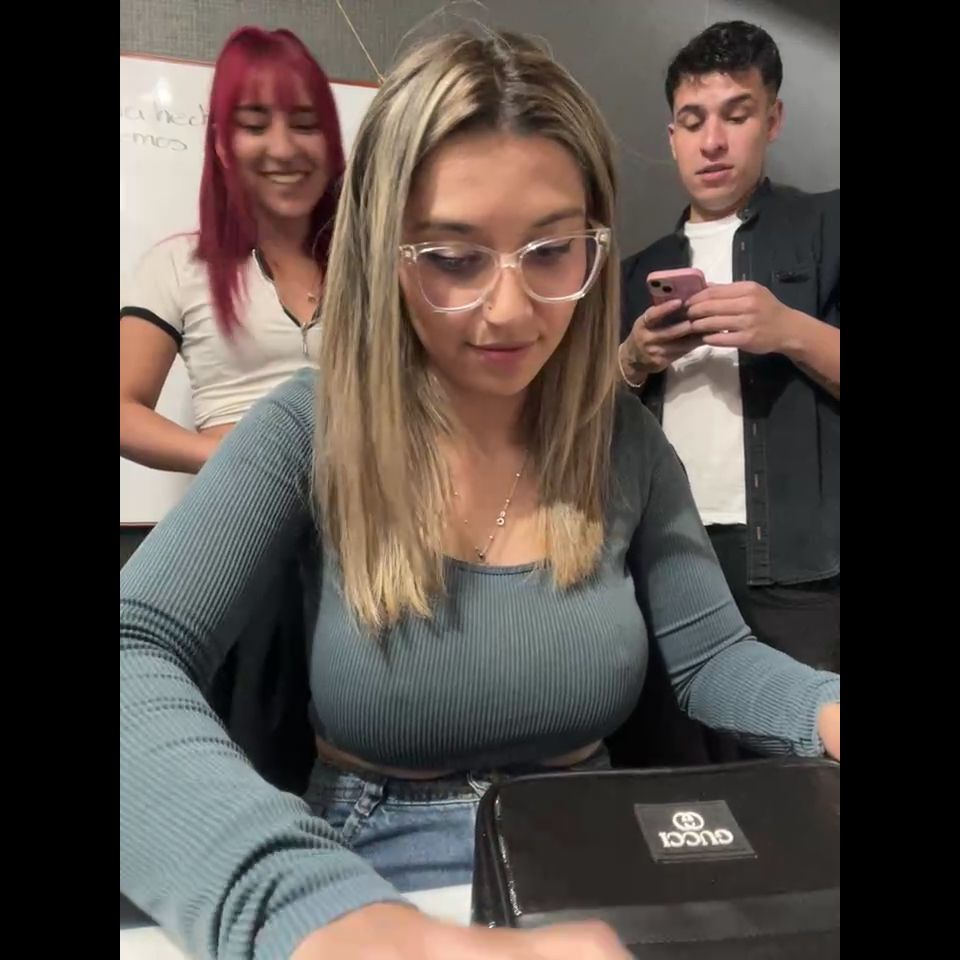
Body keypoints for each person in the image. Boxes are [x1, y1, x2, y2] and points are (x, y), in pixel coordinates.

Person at [120, 29, 840, 960]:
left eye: (551, 251)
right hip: (368, 862)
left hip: (592, 848)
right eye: (454, 259)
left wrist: (824, 708)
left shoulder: (621, 440)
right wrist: (307, 907)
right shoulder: (312, 424)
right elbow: (134, 646)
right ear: (386, 251)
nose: (509, 310)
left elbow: (715, 658)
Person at [119, 25, 346, 792]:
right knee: (248, 762)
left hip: (365, 548)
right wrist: (221, 452)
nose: (283, 147)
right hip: (241, 549)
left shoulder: (376, 267)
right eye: (254, 123)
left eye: (305, 122)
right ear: (221, 144)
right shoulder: (178, 265)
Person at [619, 21, 840, 685]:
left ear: (772, 120)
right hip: (662, 554)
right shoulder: (636, 271)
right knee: (665, 748)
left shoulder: (827, 229)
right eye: (693, 121)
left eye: (736, 115)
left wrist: (788, 329)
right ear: (672, 136)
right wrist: (631, 360)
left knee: (797, 744)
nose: (712, 141)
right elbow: (577, 417)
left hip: (800, 573)